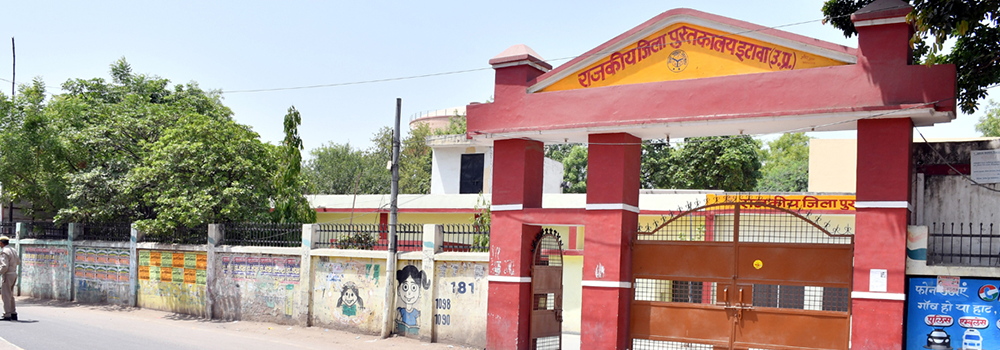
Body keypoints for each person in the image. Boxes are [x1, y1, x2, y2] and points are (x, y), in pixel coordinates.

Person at [0, 236, 18, 321]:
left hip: (7, 275)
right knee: (10, 295)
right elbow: (18, 261)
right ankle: (13, 312)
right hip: (14, 273)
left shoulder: (4, 252)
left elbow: (4, 266)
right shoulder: (13, 250)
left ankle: (7, 314)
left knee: (6, 295)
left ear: (1, 243)